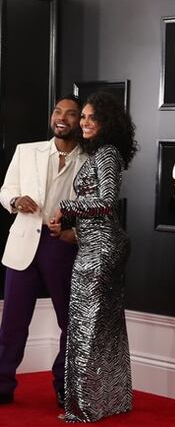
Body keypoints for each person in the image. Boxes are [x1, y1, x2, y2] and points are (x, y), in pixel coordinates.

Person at [48, 91, 135, 423]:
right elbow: (96, 204)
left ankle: (86, 406)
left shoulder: (107, 154)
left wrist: (65, 206)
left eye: (91, 117)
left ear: (106, 122)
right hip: (94, 244)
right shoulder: (100, 153)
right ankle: (110, 401)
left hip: (101, 249)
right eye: (82, 116)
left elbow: (107, 202)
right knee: (103, 324)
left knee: (87, 324)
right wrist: (70, 221)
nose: (83, 122)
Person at [0, 96, 88, 407]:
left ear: (81, 121)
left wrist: (74, 233)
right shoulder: (26, 151)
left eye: (71, 114)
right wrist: (15, 201)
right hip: (24, 242)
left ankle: (65, 384)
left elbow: (97, 210)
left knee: (71, 322)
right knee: (13, 322)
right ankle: (2, 384)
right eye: (57, 111)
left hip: (61, 245)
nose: (62, 118)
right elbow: (6, 190)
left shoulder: (89, 161)